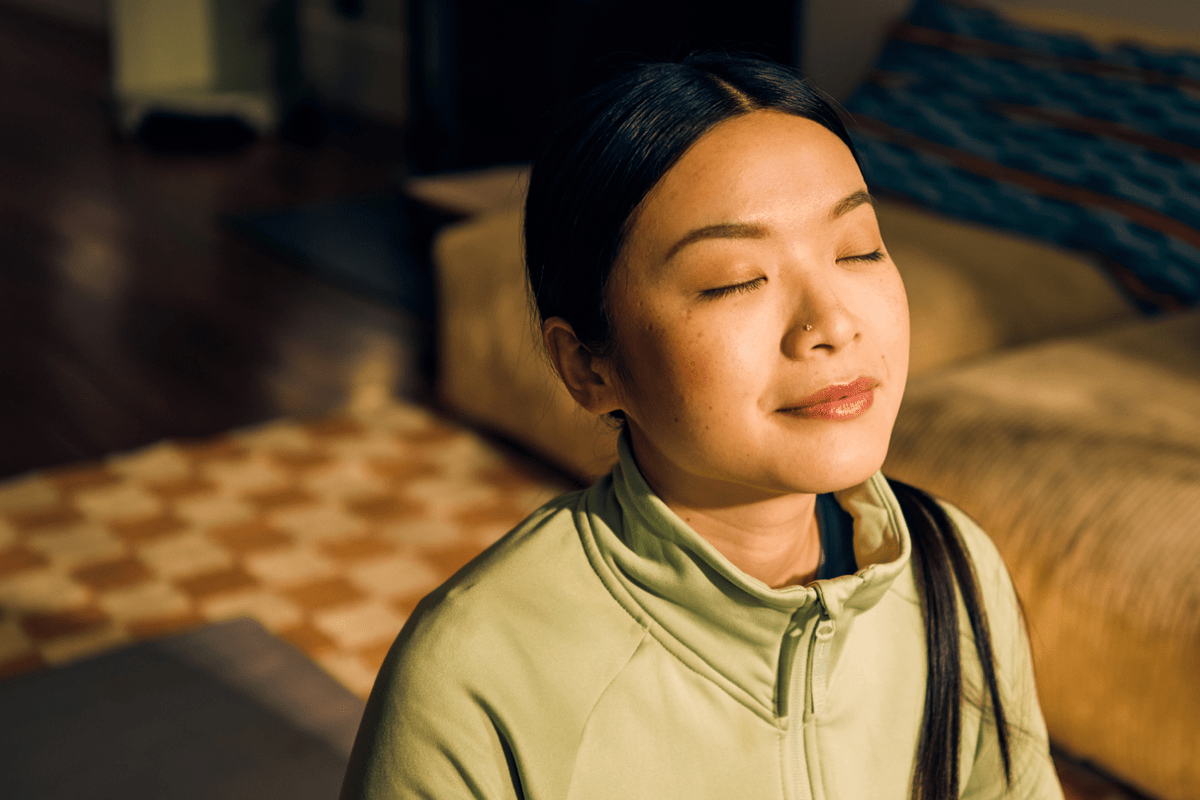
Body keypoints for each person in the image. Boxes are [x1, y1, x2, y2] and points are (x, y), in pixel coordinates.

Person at [341, 52, 1063, 800]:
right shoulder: (474, 677)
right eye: (734, 280)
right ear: (589, 367)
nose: (833, 323)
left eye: (858, 249)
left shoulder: (955, 574)